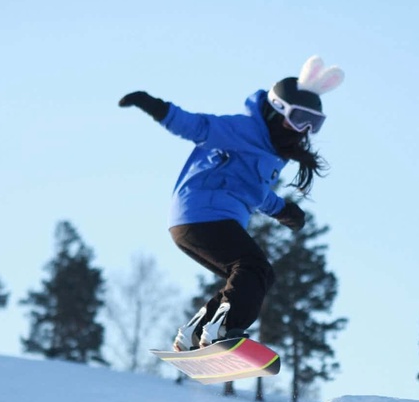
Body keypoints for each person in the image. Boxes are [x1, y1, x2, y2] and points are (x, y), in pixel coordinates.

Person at [119, 56, 344, 351]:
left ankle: (195, 332)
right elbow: (197, 127)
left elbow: (255, 191)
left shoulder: (272, 154)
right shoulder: (243, 129)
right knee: (251, 266)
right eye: (299, 118)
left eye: (314, 123)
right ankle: (222, 330)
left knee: (257, 275)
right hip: (202, 214)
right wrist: (155, 106)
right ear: (277, 109)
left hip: (208, 220)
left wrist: (283, 211)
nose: (304, 130)